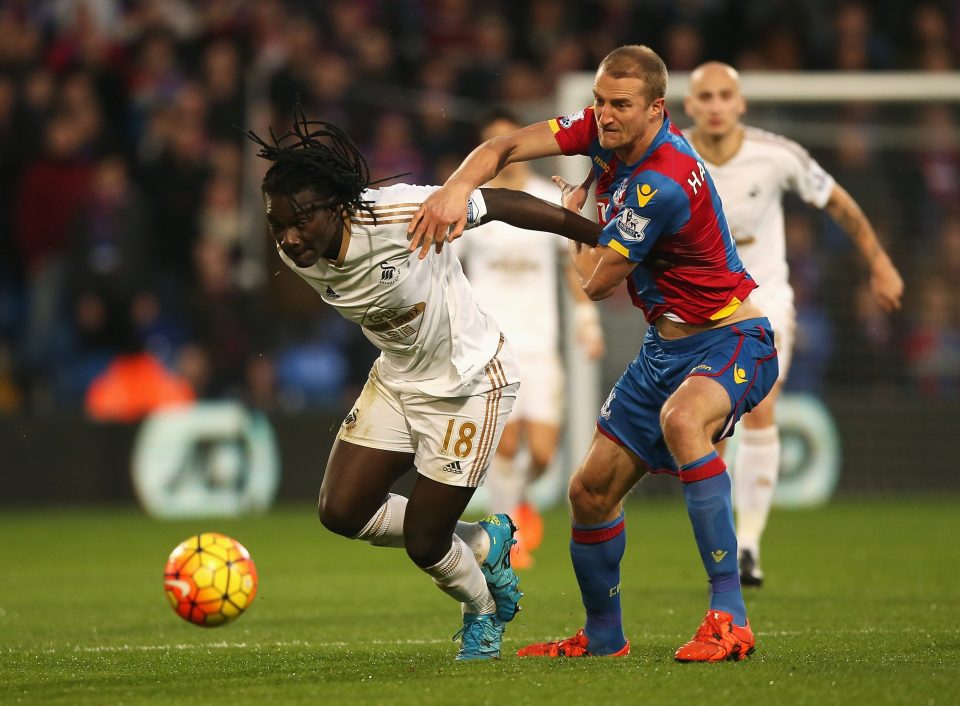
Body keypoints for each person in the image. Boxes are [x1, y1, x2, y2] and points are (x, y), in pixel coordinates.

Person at [409, 44, 778, 662]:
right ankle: (604, 636)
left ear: (657, 108)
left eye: (620, 105)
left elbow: (593, 279)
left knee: (685, 422)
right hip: (664, 348)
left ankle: (729, 618)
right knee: (588, 493)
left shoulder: (660, 181)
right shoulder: (603, 134)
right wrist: (453, 189)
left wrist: (571, 215)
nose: (603, 115)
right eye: (599, 102)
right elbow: (503, 148)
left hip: (733, 336)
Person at [247, 109, 604, 661]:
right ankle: (486, 542)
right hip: (397, 377)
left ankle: (483, 613)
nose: (290, 239)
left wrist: (597, 235)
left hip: (469, 382)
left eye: (299, 222)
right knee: (340, 511)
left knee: (425, 541)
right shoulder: (295, 253)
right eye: (278, 225)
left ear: (337, 206)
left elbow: (502, 204)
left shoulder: (399, 213)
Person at [682, 61, 904, 586]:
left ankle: (749, 546)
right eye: (705, 97)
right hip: (698, 307)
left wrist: (879, 261)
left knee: (759, 405)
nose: (715, 106)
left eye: (724, 96)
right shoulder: (671, 157)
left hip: (765, 301)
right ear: (689, 106)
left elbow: (838, 203)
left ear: (741, 104)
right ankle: (720, 545)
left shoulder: (776, 155)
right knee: (708, 429)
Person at [456, 107, 605, 569]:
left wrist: (586, 320)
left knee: (541, 454)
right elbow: (448, 268)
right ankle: (502, 539)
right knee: (504, 440)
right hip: (489, 342)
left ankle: (516, 502)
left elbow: (570, 266)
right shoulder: (471, 202)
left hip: (541, 343)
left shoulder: (547, 197)